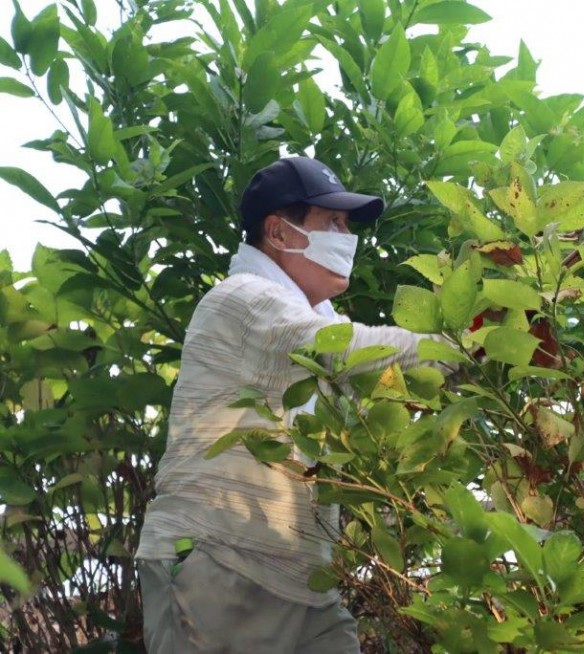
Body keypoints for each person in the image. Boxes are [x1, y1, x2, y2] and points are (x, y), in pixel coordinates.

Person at [136, 156, 437, 653]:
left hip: (304, 581)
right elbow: (341, 346)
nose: (347, 237)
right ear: (278, 232)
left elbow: (382, 386)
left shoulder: (310, 313)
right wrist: (456, 346)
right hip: (221, 563)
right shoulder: (243, 298)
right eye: (333, 222)